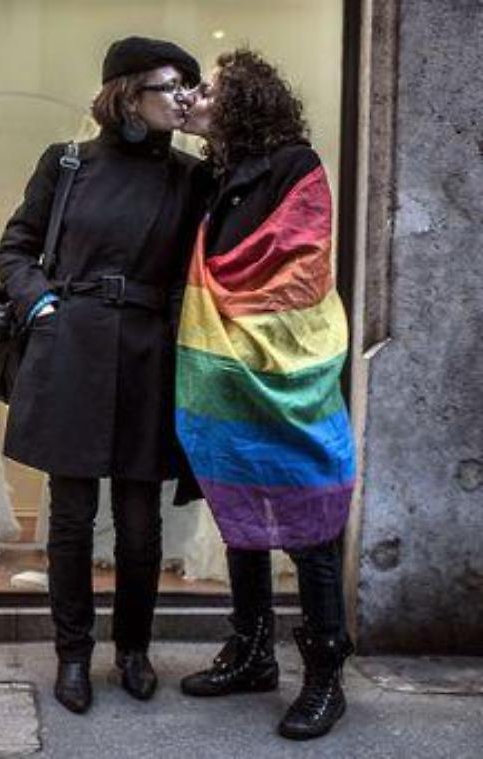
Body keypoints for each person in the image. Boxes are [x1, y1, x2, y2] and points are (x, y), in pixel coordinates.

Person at [0, 36, 205, 712]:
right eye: (170, 86)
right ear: (127, 93)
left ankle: (135, 649)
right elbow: (17, 246)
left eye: (187, 88)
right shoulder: (67, 163)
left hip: (149, 350)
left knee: (140, 522)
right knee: (73, 515)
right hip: (72, 343)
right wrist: (42, 303)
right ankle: (74, 655)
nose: (182, 98)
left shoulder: (190, 176)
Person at [175, 49, 357, 740]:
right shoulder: (211, 173)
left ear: (245, 101)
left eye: (211, 90)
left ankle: (325, 675)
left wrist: (240, 321)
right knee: (240, 512)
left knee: (310, 525)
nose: (197, 96)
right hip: (224, 381)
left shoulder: (294, 164)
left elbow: (297, 263)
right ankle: (251, 651)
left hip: (286, 374)